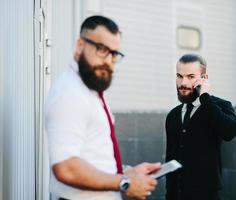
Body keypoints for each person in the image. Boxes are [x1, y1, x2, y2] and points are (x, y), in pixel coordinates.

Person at [45, 15, 161, 200]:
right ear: (80, 46)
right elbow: (65, 167)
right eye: (102, 49)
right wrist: (125, 182)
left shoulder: (89, 89)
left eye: (114, 54)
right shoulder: (70, 93)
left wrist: (127, 173)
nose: (108, 61)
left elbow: (94, 154)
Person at [165, 54, 236, 200]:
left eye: (191, 76)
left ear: (204, 78)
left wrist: (205, 97)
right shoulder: (173, 115)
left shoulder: (220, 106)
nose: (183, 82)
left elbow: (230, 132)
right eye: (179, 76)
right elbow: (170, 160)